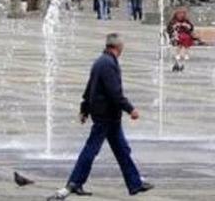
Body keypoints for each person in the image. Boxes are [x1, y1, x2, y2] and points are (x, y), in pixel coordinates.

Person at [50, 33, 153, 199]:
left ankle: (135, 183)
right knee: (91, 149)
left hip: (107, 115)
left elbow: (90, 87)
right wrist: (130, 109)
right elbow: (114, 93)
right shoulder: (108, 64)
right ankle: (74, 183)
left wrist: (84, 109)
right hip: (106, 115)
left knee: (122, 150)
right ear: (118, 47)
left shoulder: (101, 61)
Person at [167, 8, 195, 72]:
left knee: (186, 37)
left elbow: (191, 28)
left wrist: (187, 26)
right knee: (180, 38)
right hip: (176, 36)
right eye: (179, 14)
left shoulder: (186, 21)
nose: (181, 15)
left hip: (185, 36)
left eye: (182, 14)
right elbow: (169, 29)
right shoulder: (173, 21)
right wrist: (174, 27)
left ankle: (181, 56)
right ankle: (180, 56)